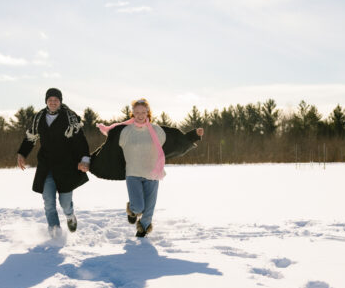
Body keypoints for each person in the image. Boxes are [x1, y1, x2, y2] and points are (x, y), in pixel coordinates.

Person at [90, 98, 204, 237]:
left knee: (148, 209)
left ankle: (143, 229)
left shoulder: (157, 130)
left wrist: (193, 135)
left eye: (143, 112)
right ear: (133, 113)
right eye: (137, 112)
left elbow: (175, 142)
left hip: (152, 174)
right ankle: (132, 210)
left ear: (148, 113)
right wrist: (89, 160)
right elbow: (109, 148)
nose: (140, 115)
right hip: (133, 174)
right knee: (138, 206)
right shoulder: (125, 132)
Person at [16, 88, 91, 236]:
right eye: (50, 100)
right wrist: (22, 153)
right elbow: (30, 138)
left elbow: (80, 140)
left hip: (66, 165)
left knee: (64, 202)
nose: (53, 102)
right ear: (46, 101)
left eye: (56, 100)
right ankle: (55, 231)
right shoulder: (39, 117)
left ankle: (70, 216)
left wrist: (84, 159)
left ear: (60, 101)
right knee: (49, 201)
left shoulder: (70, 117)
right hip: (46, 165)